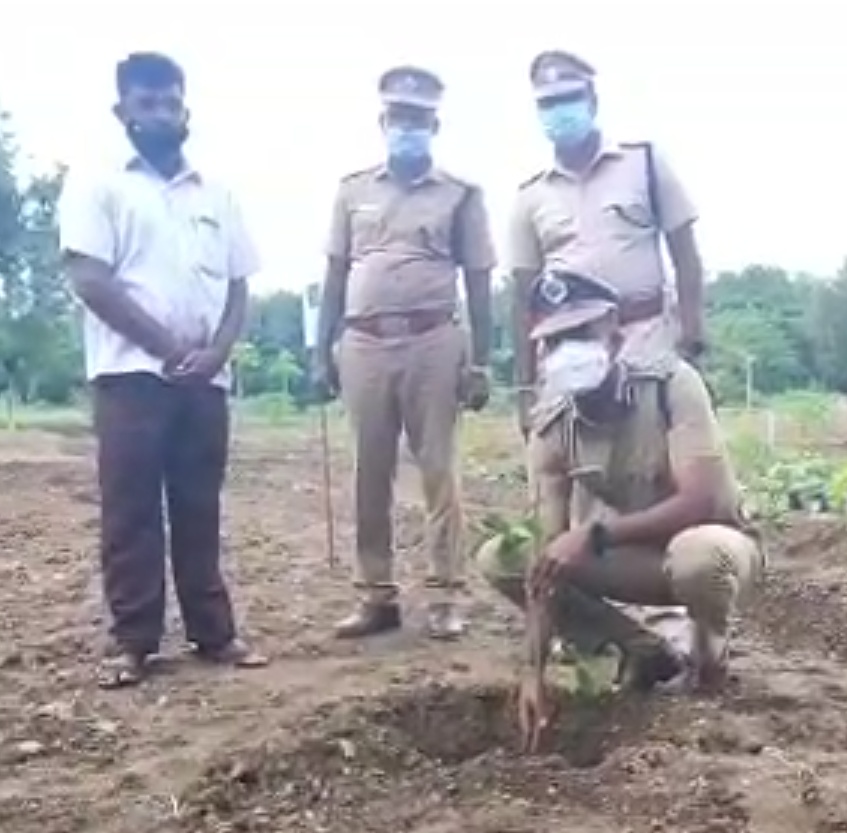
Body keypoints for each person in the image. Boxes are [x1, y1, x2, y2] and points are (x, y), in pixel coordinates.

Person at [472, 270, 763, 751]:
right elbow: (547, 563)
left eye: (580, 333)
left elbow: (701, 501)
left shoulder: (671, 385)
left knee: (698, 555)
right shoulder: (551, 430)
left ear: (614, 330)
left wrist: (597, 535)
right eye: (555, 340)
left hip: (718, 547)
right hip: (635, 562)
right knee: (504, 557)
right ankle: (643, 651)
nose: (569, 350)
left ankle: (710, 657)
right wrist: (533, 675)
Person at [57, 51, 268, 689]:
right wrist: (164, 348)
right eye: (145, 103)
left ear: (186, 109)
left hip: (205, 382)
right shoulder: (96, 184)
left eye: (170, 102)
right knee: (132, 511)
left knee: (200, 507)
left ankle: (214, 634)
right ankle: (133, 642)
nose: (160, 114)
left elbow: (238, 287)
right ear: (122, 111)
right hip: (130, 379)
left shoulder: (217, 192)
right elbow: (90, 280)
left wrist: (218, 352)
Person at [312, 65, 497, 641]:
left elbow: (480, 282)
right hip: (363, 341)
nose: (407, 127)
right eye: (398, 117)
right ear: (382, 121)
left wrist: (483, 362)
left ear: (434, 124)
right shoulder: (352, 190)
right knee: (370, 472)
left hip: (434, 340)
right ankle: (376, 596)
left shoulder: (461, 195)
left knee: (439, 471)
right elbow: (335, 275)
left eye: (418, 119)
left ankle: (445, 596)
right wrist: (322, 354)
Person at [505, 50, 708, 434]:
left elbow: (686, 255)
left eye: (569, 99)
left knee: (654, 457)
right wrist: (525, 385)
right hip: (569, 352)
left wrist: (692, 336)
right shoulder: (530, 195)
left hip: (646, 338)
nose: (559, 111)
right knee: (577, 461)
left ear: (592, 102)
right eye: (548, 103)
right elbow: (523, 300)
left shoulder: (643, 163)